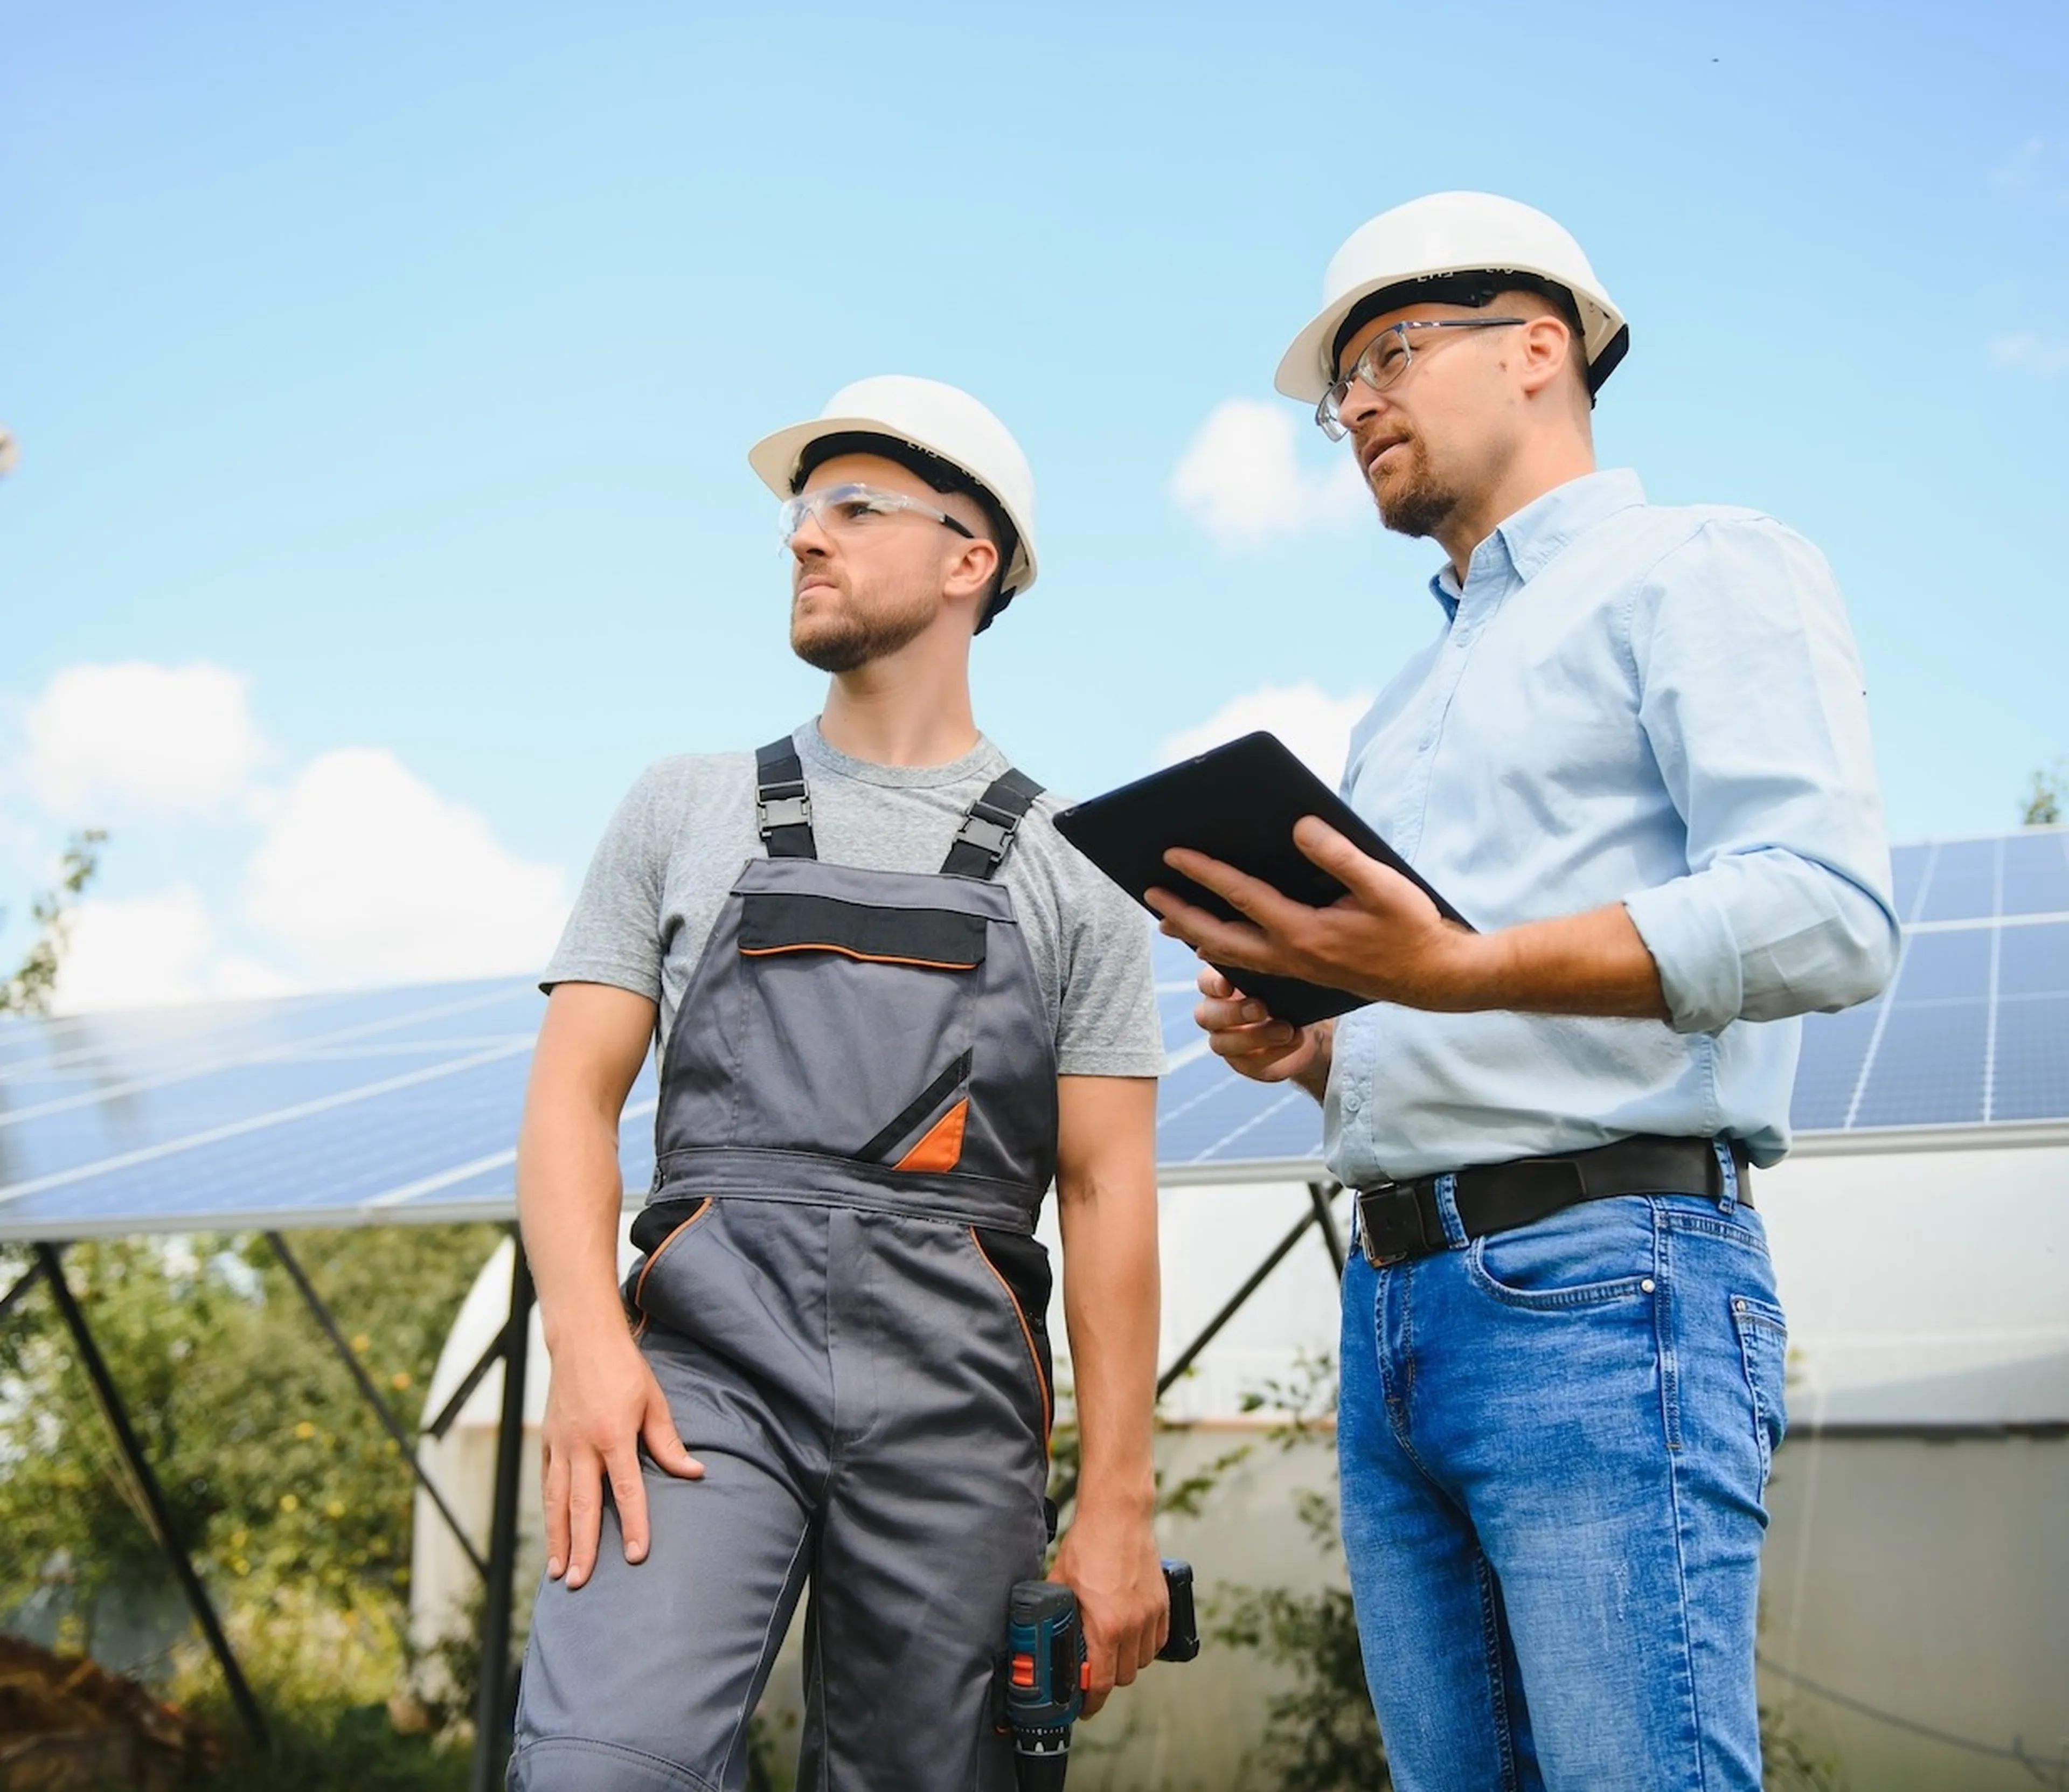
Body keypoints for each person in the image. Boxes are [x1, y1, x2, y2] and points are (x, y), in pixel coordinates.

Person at [1150, 192, 1898, 1792]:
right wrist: (1308, 1040)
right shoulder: (1398, 708)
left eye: (1389, 354)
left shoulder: (1703, 567)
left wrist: (1458, 964)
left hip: (1605, 1285)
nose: (1352, 404)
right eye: (1342, 384)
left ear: (1541, 345)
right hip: (1394, 1305)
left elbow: (1829, 914)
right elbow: (1432, 1017)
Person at [508, 376, 1169, 1792]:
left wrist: (1116, 1503)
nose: (804, 538)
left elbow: (1110, 1192)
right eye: (803, 513)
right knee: (597, 1769)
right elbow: (570, 1099)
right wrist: (587, 1343)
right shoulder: (684, 804)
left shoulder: (1080, 867)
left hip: (955, 1402)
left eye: (851, 508)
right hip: (697, 1378)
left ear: (966, 559)